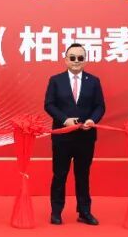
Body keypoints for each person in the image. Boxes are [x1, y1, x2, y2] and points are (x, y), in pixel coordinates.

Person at [43, 42, 106, 225]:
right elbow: (49, 104)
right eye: (72, 57)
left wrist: (92, 120)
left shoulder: (93, 81)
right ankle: (56, 212)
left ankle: (84, 212)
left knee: (83, 175)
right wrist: (65, 120)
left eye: (80, 58)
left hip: (85, 136)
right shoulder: (56, 80)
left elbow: (100, 106)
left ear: (85, 60)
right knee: (60, 175)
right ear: (66, 59)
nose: (76, 61)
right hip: (63, 136)